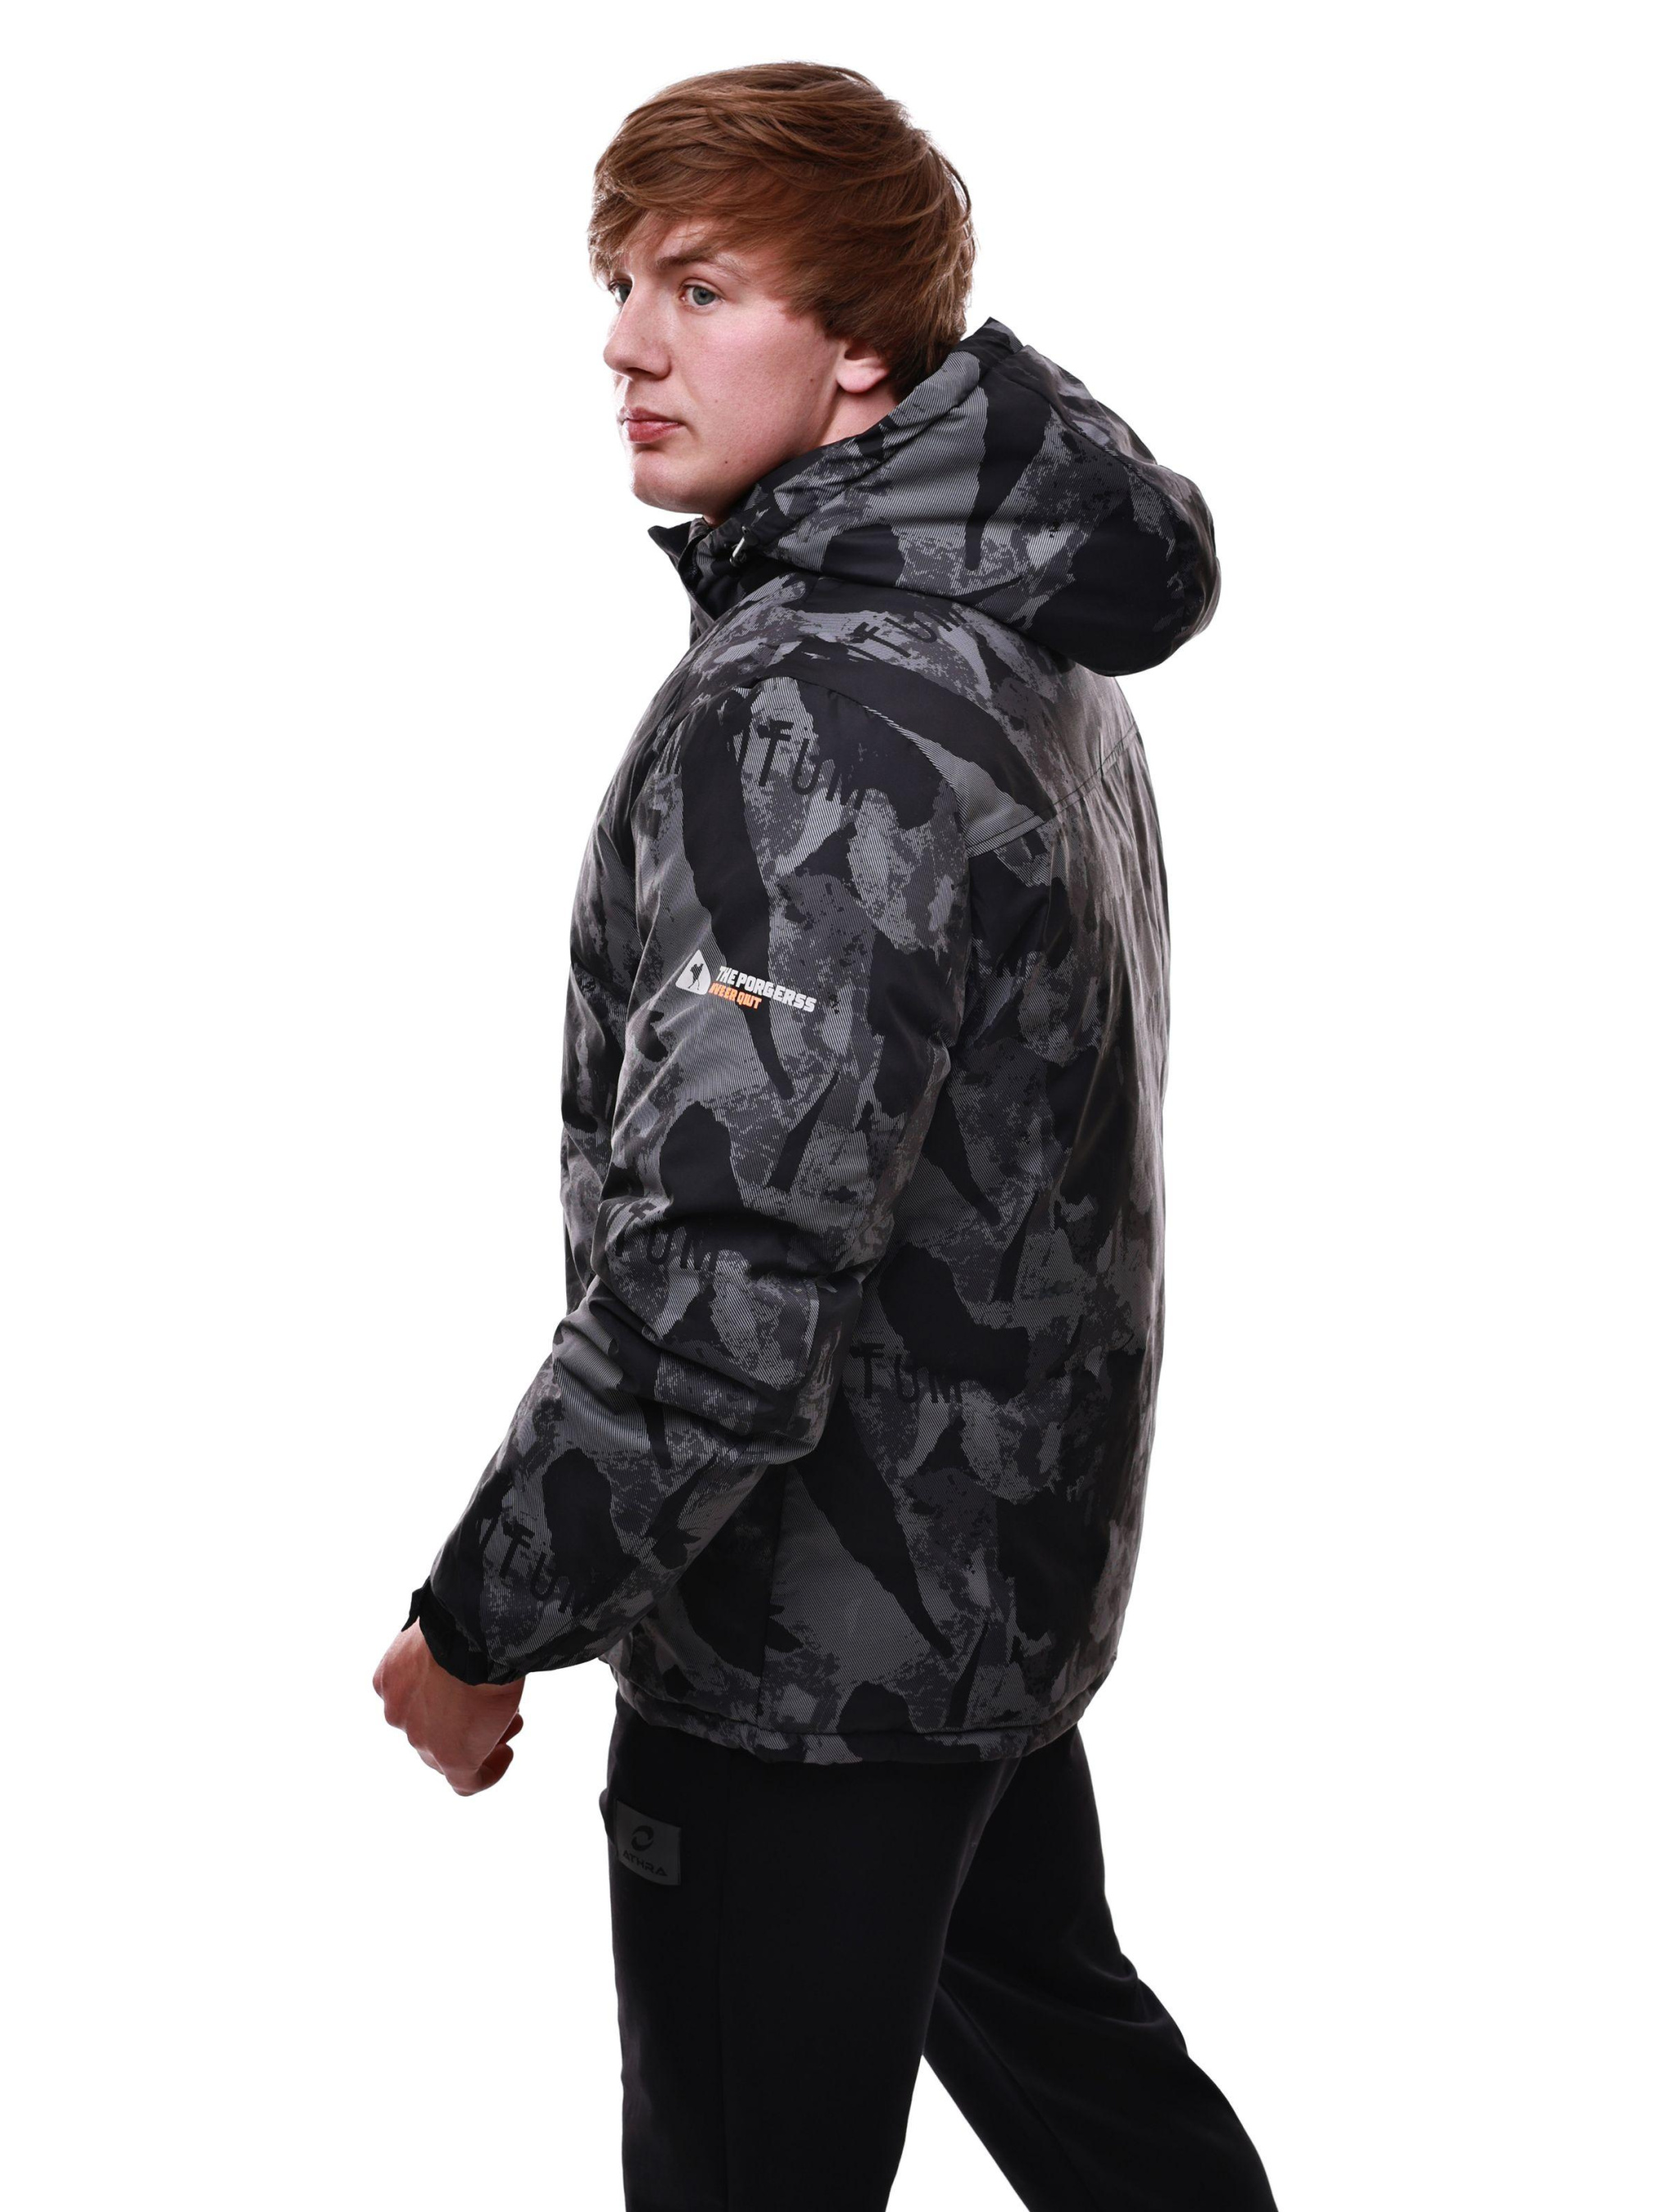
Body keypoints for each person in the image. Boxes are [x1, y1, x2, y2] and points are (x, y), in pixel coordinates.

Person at [374, 59, 1277, 2212]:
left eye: (703, 288)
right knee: (1098, 2104)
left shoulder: (816, 715)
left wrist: (481, 1618)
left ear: (860, 347)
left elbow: (724, 1282)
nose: (627, 342)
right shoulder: (1008, 625)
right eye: (621, 281)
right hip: (979, 1600)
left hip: (807, 1661)